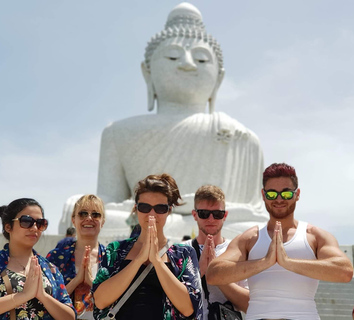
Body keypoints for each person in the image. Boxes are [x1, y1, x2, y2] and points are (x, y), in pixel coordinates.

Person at [57, 2, 266, 240]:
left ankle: (176, 225)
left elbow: (255, 213)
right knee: (84, 216)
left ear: (219, 78)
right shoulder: (119, 132)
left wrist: (188, 216)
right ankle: (171, 224)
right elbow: (108, 204)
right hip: (146, 219)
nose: (187, 63)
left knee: (256, 229)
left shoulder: (243, 137)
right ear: (148, 73)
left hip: (213, 224)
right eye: (172, 56)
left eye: (201, 59)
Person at [207, 162, 354, 320]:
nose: (278, 199)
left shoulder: (314, 236)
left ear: (297, 194)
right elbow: (214, 274)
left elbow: (345, 271)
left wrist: (287, 262)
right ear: (263, 195)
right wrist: (265, 262)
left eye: (286, 194)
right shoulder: (250, 238)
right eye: (272, 194)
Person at [92, 174, 203, 319]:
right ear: (135, 209)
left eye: (160, 208)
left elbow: (188, 308)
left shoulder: (183, 253)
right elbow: (100, 301)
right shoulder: (116, 250)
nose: (152, 214)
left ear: (169, 210)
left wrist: (157, 261)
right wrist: (138, 260)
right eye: (145, 207)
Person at [0, 198, 75, 320]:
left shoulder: (50, 269)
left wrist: (43, 296)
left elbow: (70, 316)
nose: (34, 228)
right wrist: (23, 296)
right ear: (8, 227)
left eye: (40, 223)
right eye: (26, 221)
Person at [184, 185, 249, 318]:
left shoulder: (237, 251)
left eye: (217, 214)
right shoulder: (181, 251)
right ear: (195, 215)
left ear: (225, 215)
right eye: (204, 214)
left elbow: (249, 304)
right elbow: (171, 300)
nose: (211, 219)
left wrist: (218, 277)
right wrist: (199, 272)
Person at [46, 194, 106, 320]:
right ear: (73, 220)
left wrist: (91, 282)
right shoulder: (57, 257)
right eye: (83, 214)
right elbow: (47, 302)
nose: (89, 218)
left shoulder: (111, 257)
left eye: (96, 214)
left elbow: (115, 301)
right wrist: (76, 281)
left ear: (103, 221)